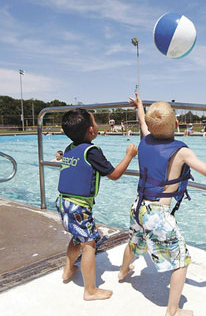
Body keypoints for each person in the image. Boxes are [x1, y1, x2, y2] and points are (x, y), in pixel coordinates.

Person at [118, 93, 206, 316]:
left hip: (138, 206)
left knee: (135, 240)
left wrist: (140, 107)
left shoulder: (145, 139)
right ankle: (173, 311)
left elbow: (143, 121)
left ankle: (123, 272)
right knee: (181, 259)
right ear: (178, 124)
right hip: (157, 214)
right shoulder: (181, 151)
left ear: (151, 126)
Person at [57, 108, 137, 301]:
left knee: (77, 237)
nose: (97, 125)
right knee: (89, 244)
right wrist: (130, 155)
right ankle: (90, 290)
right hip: (79, 206)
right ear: (90, 131)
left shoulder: (70, 148)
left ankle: (68, 270)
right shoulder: (91, 152)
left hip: (64, 202)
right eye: (94, 122)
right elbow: (114, 175)